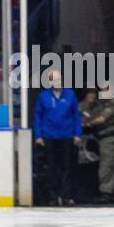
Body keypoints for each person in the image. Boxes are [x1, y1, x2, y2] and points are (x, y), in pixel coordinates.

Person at [34, 67, 83, 206]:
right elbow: (38, 116)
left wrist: (77, 134)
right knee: (51, 167)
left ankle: (66, 196)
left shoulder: (70, 94)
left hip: (67, 136)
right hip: (49, 136)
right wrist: (38, 135)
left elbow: (76, 116)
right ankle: (53, 196)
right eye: (54, 79)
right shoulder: (43, 96)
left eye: (59, 79)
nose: (58, 82)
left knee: (67, 167)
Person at [87, 82, 114, 203]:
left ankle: (106, 192)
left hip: (110, 138)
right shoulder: (102, 103)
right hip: (102, 138)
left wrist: (88, 124)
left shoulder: (113, 103)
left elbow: (102, 119)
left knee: (106, 166)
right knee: (110, 165)